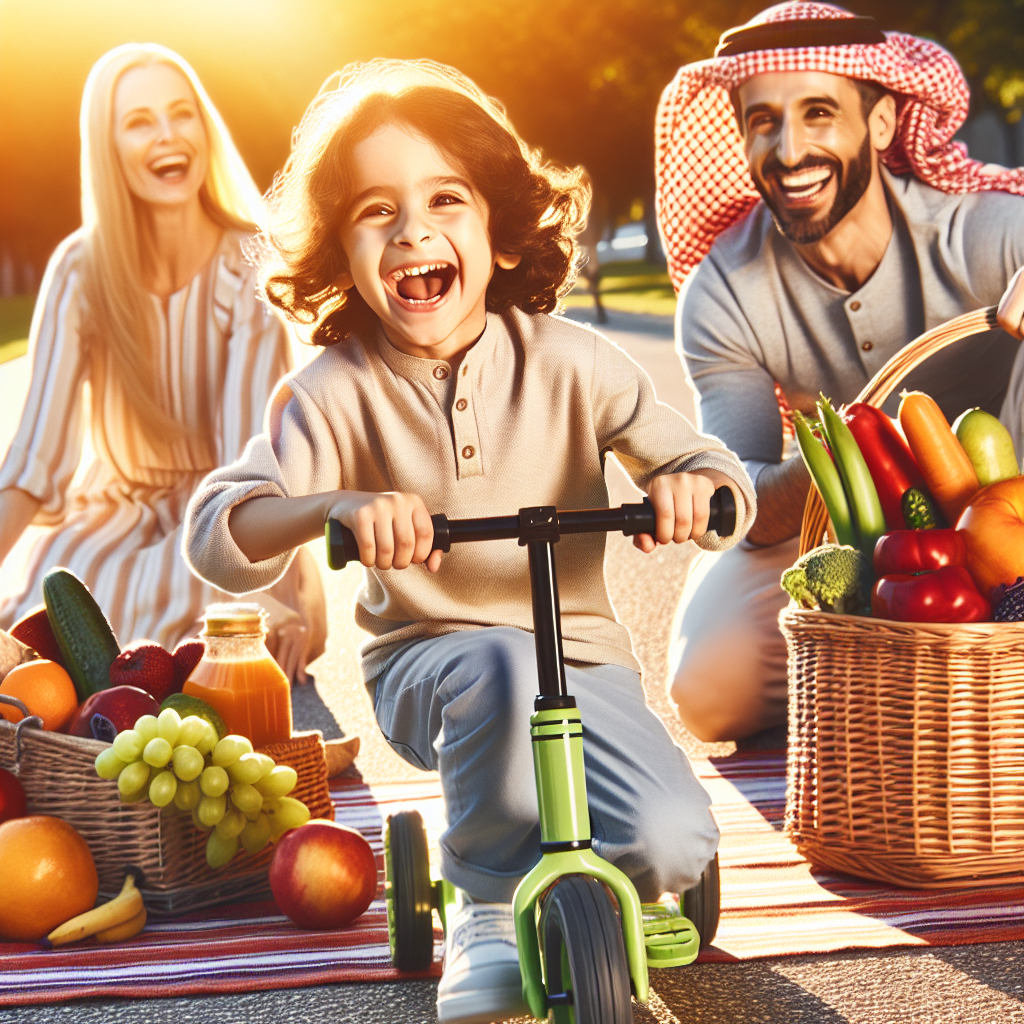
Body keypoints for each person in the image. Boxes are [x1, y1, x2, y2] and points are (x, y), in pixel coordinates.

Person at [183, 60, 756, 1024]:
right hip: (432, 662)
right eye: (376, 210)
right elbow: (221, 529)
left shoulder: (574, 363)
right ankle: (487, 902)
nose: (412, 230)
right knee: (494, 659)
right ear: (342, 250)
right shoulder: (332, 391)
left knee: (668, 846)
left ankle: (577, 875)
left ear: (496, 228)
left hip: (584, 664)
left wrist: (689, 487)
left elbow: (708, 466)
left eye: (445, 198)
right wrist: (332, 508)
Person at [654, 1, 1024, 743]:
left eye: (818, 113)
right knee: (707, 688)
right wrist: (846, 453)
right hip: (843, 525)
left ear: (882, 124)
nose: (789, 150)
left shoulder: (980, 230)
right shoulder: (723, 291)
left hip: (1013, 516)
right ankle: (897, 692)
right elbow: (746, 498)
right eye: (764, 121)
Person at [0, 44, 326, 683]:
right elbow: (32, 465)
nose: (168, 136)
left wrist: (267, 596)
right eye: (139, 121)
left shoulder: (246, 268)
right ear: (109, 146)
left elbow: (249, 463)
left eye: (182, 114)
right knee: (54, 600)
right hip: (112, 511)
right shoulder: (80, 271)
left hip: (225, 521)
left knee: (197, 628)